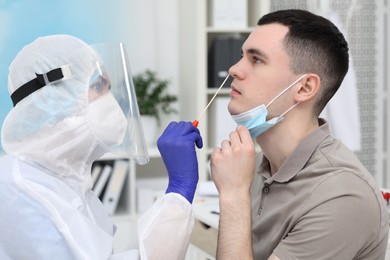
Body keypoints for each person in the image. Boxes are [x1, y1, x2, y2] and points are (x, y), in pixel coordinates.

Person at [0, 34, 202, 260]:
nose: (110, 101)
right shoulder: (18, 190)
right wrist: (178, 191)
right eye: (98, 86)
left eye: (109, 87)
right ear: (53, 98)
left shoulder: (67, 180)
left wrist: (172, 198)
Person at [210, 9, 389, 260]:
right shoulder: (260, 168)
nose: (233, 69)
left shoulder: (342, 195)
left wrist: (233, 195)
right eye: (242, 56)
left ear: (304, 88)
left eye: (256, 59)